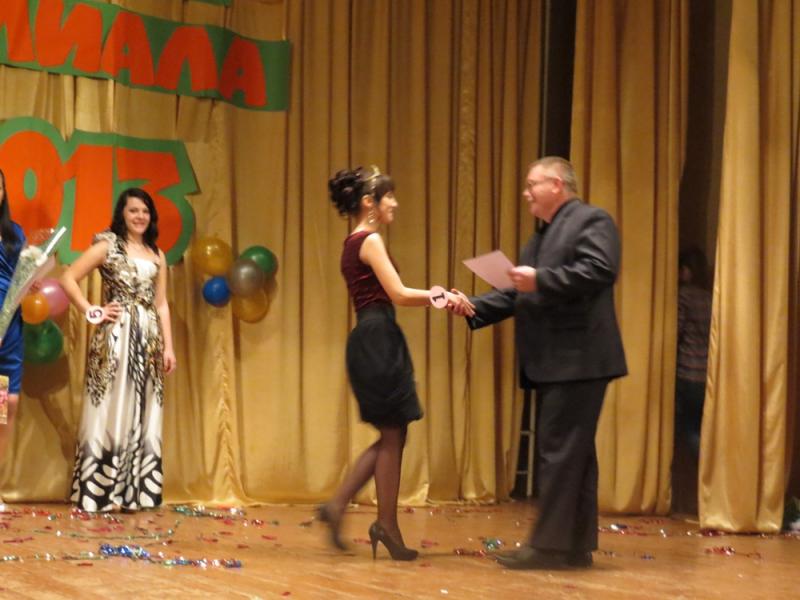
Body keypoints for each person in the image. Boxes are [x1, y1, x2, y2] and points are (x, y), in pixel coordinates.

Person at [449, 156, 627, 569]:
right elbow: (519, 292)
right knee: (574, 455)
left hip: (580, 357)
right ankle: (575, 546)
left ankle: (548, 548)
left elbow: (600, 269)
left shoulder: (591, 220)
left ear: (557, 185)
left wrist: (541, 279)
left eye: (533, 184)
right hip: (558, 359)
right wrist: (473, 305)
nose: (526, 193)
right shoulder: (539, 238)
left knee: (559, 452)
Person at [319, 165, 472, 561]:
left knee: (394, 433)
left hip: (373, 336)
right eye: (388, 196)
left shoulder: (354, 241)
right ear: (368, 202)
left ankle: (343, 508)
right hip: (377, 339)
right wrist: (444, 297)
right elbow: (399, 293)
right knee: (393, 434)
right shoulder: (369, 240)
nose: (395, 203)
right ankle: (381, 522)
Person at [61, 188, 176, 512]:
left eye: (145, 211)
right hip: (116, 337)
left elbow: (161, 304)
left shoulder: (157, 254)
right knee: (110, 406)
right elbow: (69, 277)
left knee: (144, 409)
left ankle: (134, 493)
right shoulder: (108, 245)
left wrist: (169, 347)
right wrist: (91, 310)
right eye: (133, 210)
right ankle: (99, 492)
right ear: (122, 214)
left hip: (148, 340)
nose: (140, 216)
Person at [0, 169, 26, 468]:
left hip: (9, 328)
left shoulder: (15, 233)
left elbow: (22, 276)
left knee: (6, 405)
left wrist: (32, 280)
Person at [675, 246, 711, 458]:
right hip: (708, 373)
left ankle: (701, 464)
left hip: (688, 372)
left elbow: (676, 331)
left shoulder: (684, 296)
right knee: (702, 425)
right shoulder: (710, 297)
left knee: (689, 428)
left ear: (687, 270)